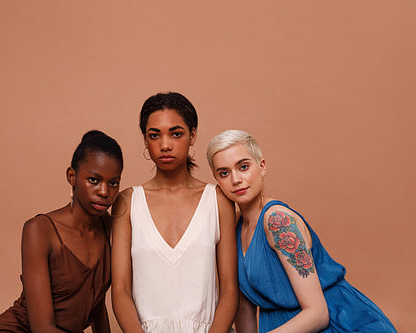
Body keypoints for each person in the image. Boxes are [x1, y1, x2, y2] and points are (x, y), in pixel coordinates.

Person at [206, 129, 397, 333]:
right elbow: (244, 309)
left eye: (243, 167)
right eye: (224, 173)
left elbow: (318, 314)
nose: (235, 179)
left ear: (261, 167)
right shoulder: (233, 227)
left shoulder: (278, 221)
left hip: (340, 324)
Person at [111, 92, 239, 333]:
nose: (165, 144)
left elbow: (230, 290)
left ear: (192, 135)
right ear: (145, 140)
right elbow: (120, 290)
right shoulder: (127, 202)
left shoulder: (218, 200)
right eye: (154, 135)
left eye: (176, 133)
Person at [0, 130, 123, 333]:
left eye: (113, 183)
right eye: (93, 180)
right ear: (71, 176)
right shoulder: (39, 230)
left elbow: (96, 304)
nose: (104, 192)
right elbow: (42, 328)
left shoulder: (111, 228)